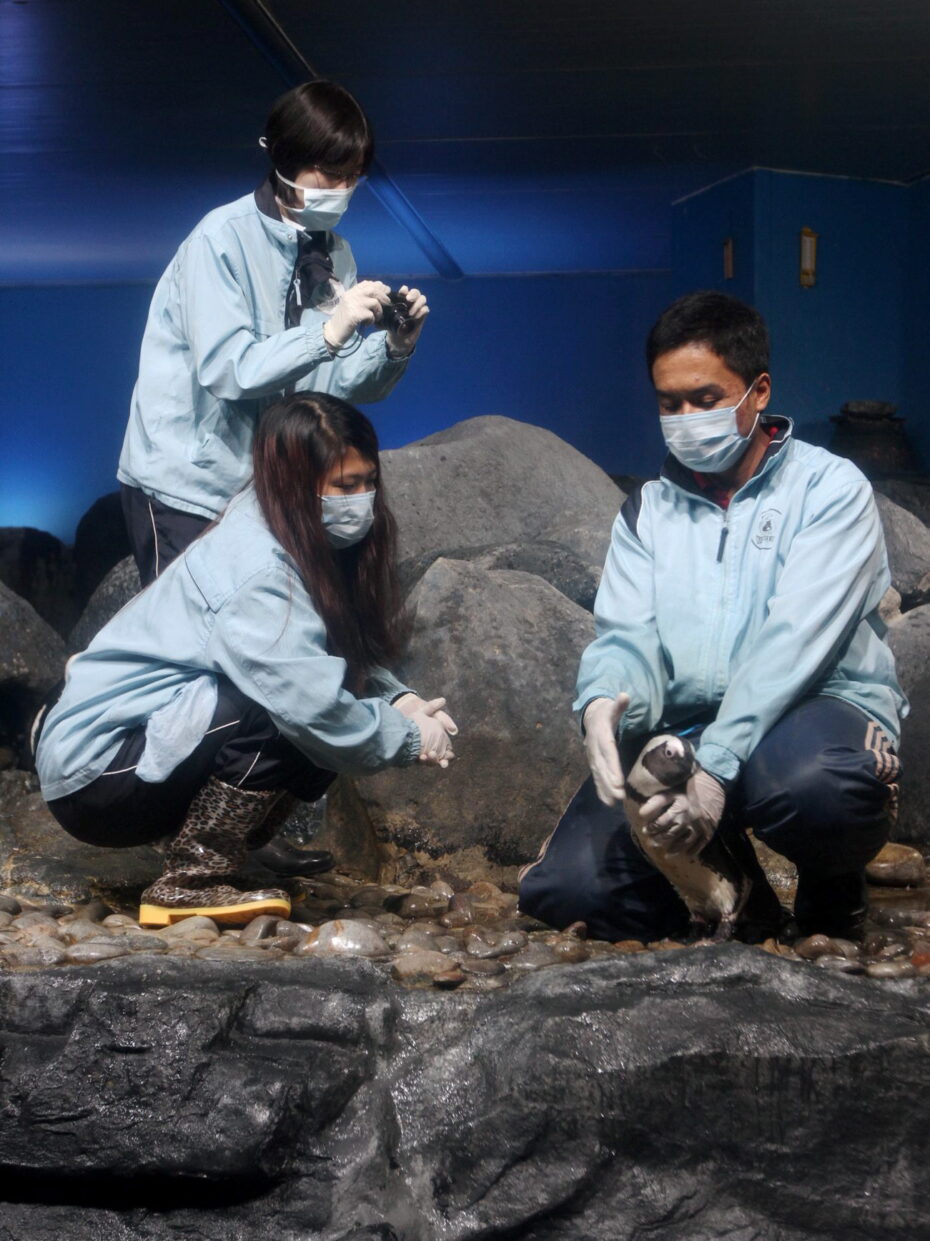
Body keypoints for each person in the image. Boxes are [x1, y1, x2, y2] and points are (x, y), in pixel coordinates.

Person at [519, 290, 906, 943]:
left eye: (705, 398)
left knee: (819, 790)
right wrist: (604, 703)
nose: (686, 418)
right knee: (570, 891)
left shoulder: (830, 490)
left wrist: (717, 769)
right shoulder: (647, 512)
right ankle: (741, 899)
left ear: (759, 392)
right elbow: (628, 638)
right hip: (689, 728)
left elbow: (795, 643)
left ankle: (833, 885)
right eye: (669, 403)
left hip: (812, 713)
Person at [37, 394, 457, 928]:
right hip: (96, 774)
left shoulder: (285, 522)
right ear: (294, 482)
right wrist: (409, 737)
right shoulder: (258, 569)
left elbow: (325, 655)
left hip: (141, 751)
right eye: (344, 485)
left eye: (368, 481)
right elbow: (310, 705)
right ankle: (190, 880)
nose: (362, 500)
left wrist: (400, 698)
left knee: (307, 697)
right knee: (286, 710)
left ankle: (230, 855)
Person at [118, 78, 428, 589]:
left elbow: (332, 385)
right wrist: (326, 334)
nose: (342, 189)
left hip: (265, 492)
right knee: (190, 632)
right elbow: (229, 370)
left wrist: (395, 346)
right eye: (331, 173)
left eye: (353, 177)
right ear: (286, 158)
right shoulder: (220, 239)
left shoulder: (333, 253)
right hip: (188, 487)